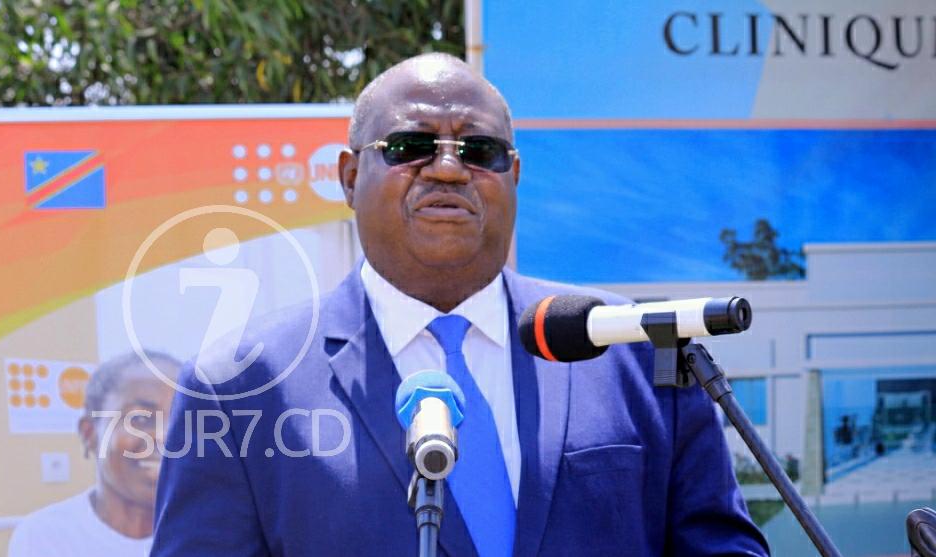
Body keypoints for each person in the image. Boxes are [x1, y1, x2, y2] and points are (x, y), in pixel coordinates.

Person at [151, 53, 769, 556]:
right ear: (349, 177)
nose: (448, 169)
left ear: (514, 176)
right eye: (409, 146)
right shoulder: (240, 386)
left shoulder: (629, 348)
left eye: (480, 151)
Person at [9, 351, 179, 557]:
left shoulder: (206, 532)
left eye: (180, 421)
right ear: (90, 434)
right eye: (139, 419)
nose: (166, 436)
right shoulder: (44, 538)